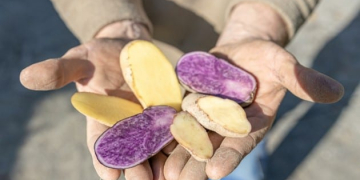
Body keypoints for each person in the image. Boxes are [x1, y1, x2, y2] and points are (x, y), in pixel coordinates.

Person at [19, 0, 344, 180]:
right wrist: (113, 22)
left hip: (237, 48)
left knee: (239, 139)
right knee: (225, 141)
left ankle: (247, 167)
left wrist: (263, 18)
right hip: (141, 47)